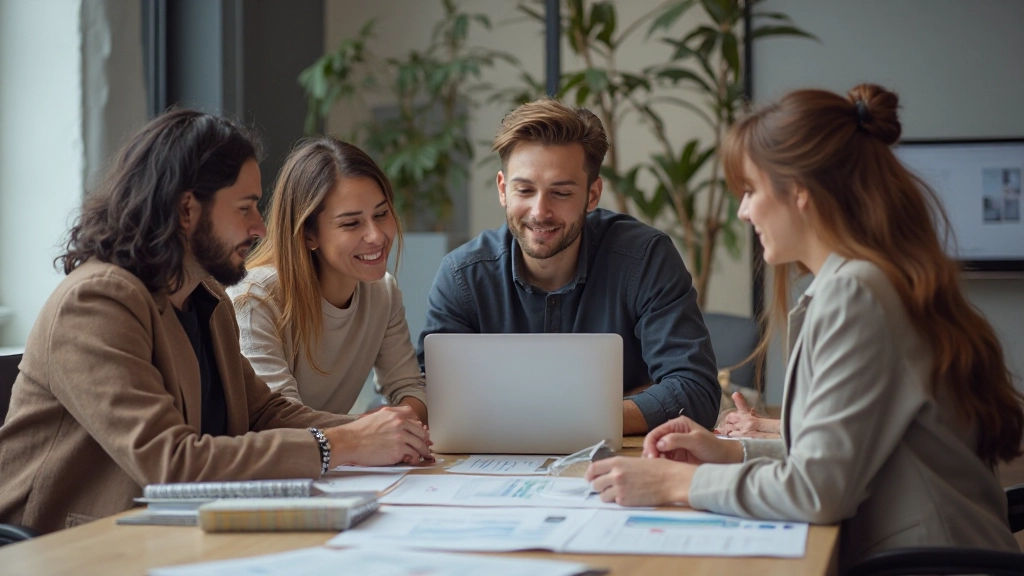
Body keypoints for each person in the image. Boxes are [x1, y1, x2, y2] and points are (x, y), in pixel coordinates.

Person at [586, 84, 1024, 568]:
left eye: (750, 190)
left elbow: (820, 491)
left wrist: (675, 484)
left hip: (927, 564)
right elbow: (838, 458)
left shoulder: (856, 294)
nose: (743, 211)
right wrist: (731, 454)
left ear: (799, 192)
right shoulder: (871, 281)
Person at [0, 110, 431, 535]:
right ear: (187, 210)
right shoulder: (95, 302)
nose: (261, 228)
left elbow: (263, 412)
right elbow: (172, 462)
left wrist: (381, 433)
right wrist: (345, 444)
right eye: (245, 208)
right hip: (64, 546)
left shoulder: (204, 298)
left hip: (164, 534)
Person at [418, 99, 720, 434]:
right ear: (503, 189)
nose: (539, 211)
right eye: (525, 190)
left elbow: (695, 394)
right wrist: (627, 403)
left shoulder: (644, 259)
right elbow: (435, 399)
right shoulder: (463, 276)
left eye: (560, 193)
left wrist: (545, 418)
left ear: (592, 195)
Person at [227, 137, 427, 422]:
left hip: (330, 463)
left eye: (381, 214)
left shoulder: (382, 292)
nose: (376, 235)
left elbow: (410, 389)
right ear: (308, 234)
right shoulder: (255, 297)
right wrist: (373, 430)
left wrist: (393, 423)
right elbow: (280, 421)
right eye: (351, 223)